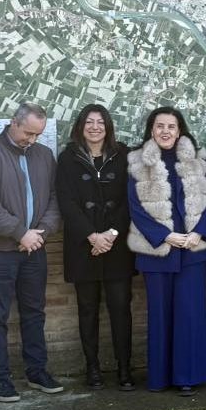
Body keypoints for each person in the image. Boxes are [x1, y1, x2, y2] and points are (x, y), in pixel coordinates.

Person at [0, 102, 63, 403]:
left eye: (38, 134)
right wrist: (19, 233)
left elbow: (55, 198)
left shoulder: (44, 155)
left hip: (34, 248)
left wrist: (41, 233)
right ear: (13, 123)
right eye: (28, 133)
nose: (32, 140)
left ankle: (37, 371)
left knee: (34, 312)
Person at [127, 107, 206, 396]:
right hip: (158, 252)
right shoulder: (138, 163)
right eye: (160, 126)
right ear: (151, 130)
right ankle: (160, 377)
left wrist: (197, 233)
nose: (165, 131)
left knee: (189, 315)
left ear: (180, 131)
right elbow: (135, 208)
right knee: (160, 315)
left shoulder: (197, 162)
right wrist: (166, 236)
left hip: (192, 250)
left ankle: (187, 376)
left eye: (171, 126)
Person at [56, 103, 135, 391]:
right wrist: (92, 236)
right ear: (81, 126)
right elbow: (66, 202)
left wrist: (111, 234)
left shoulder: (123, 155)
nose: (95, 127)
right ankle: (93, 368)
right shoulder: (67, 158)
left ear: (108, 127)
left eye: (100, 122)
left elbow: (130, 199)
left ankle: (124, 369)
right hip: (84, 246)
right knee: (87, 309)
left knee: (120, 309)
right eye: (89, 122)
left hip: (117, 245)